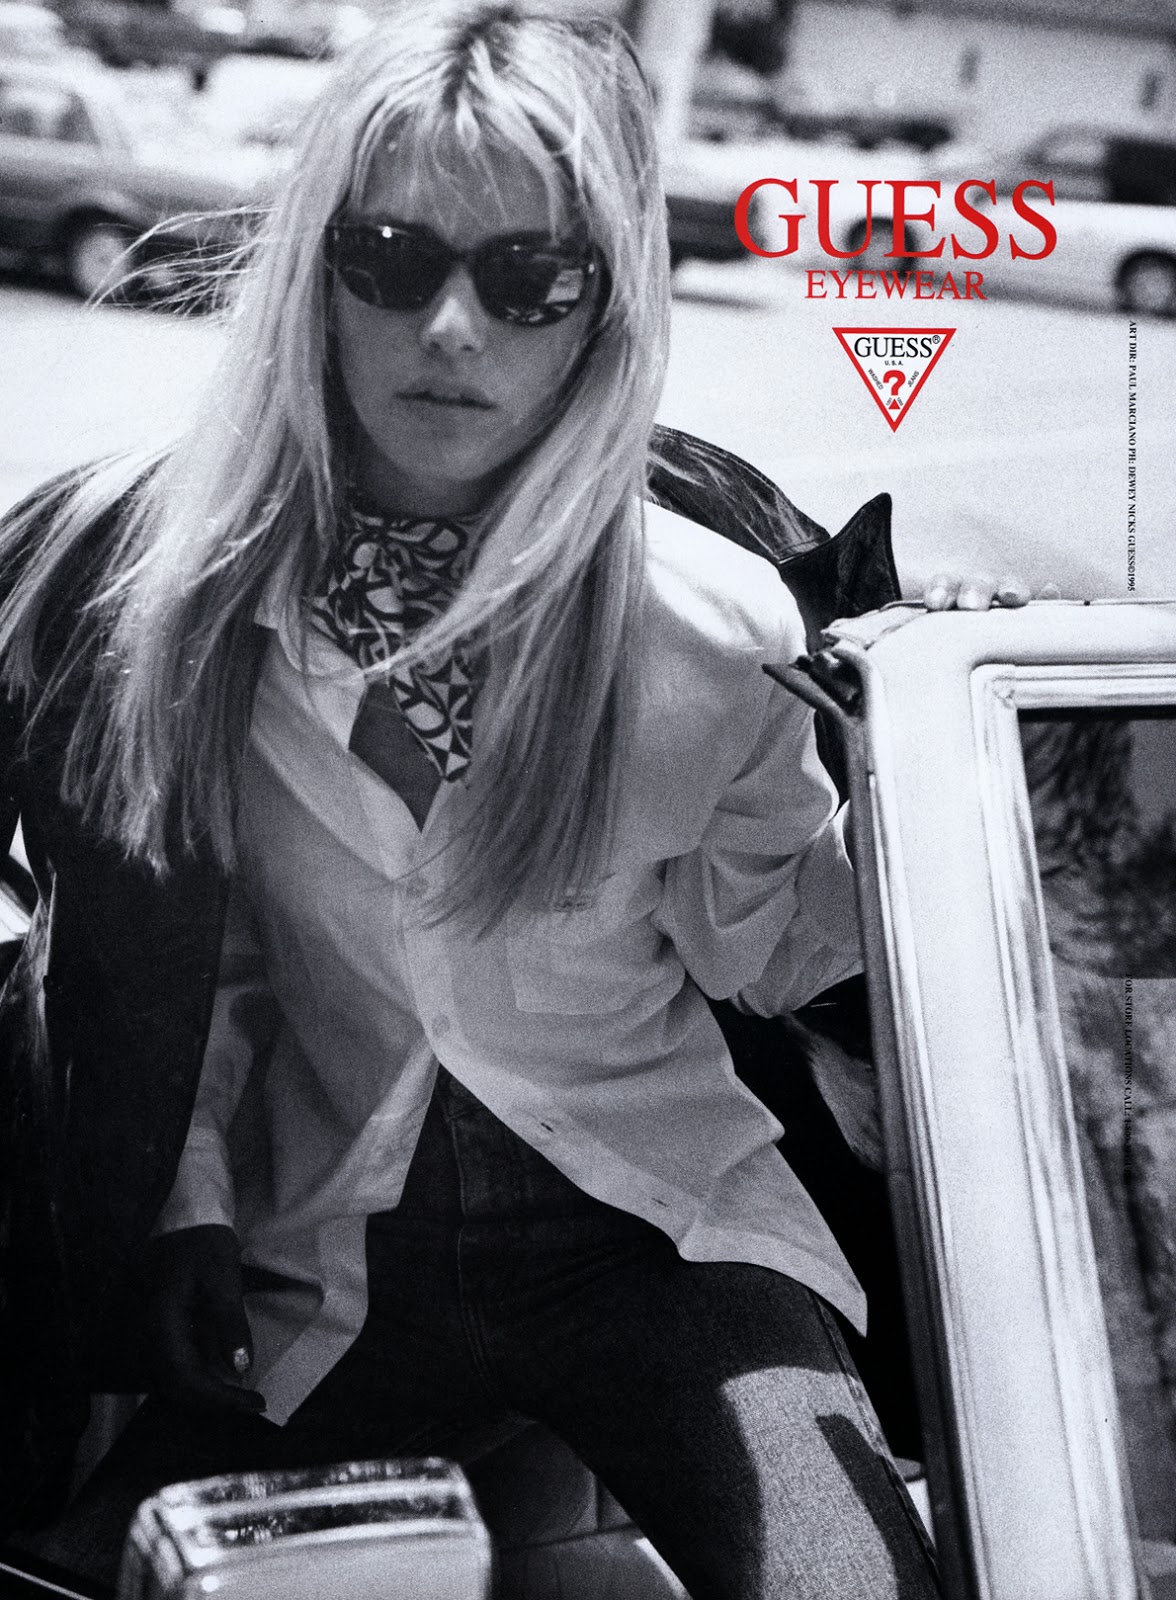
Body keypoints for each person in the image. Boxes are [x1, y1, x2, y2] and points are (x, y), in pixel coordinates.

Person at [0, 4, 1019, 1594]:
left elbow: (771, 953)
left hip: (660, 1235)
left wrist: (920, 766)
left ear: (605, 307)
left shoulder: (712, 622)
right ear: (312, 278)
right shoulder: (191, 608)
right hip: (337, 1259)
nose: (454, 329)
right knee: (87, 1574)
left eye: (530, 276)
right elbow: (196, 959)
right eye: (392, 259)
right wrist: (189, 1210)